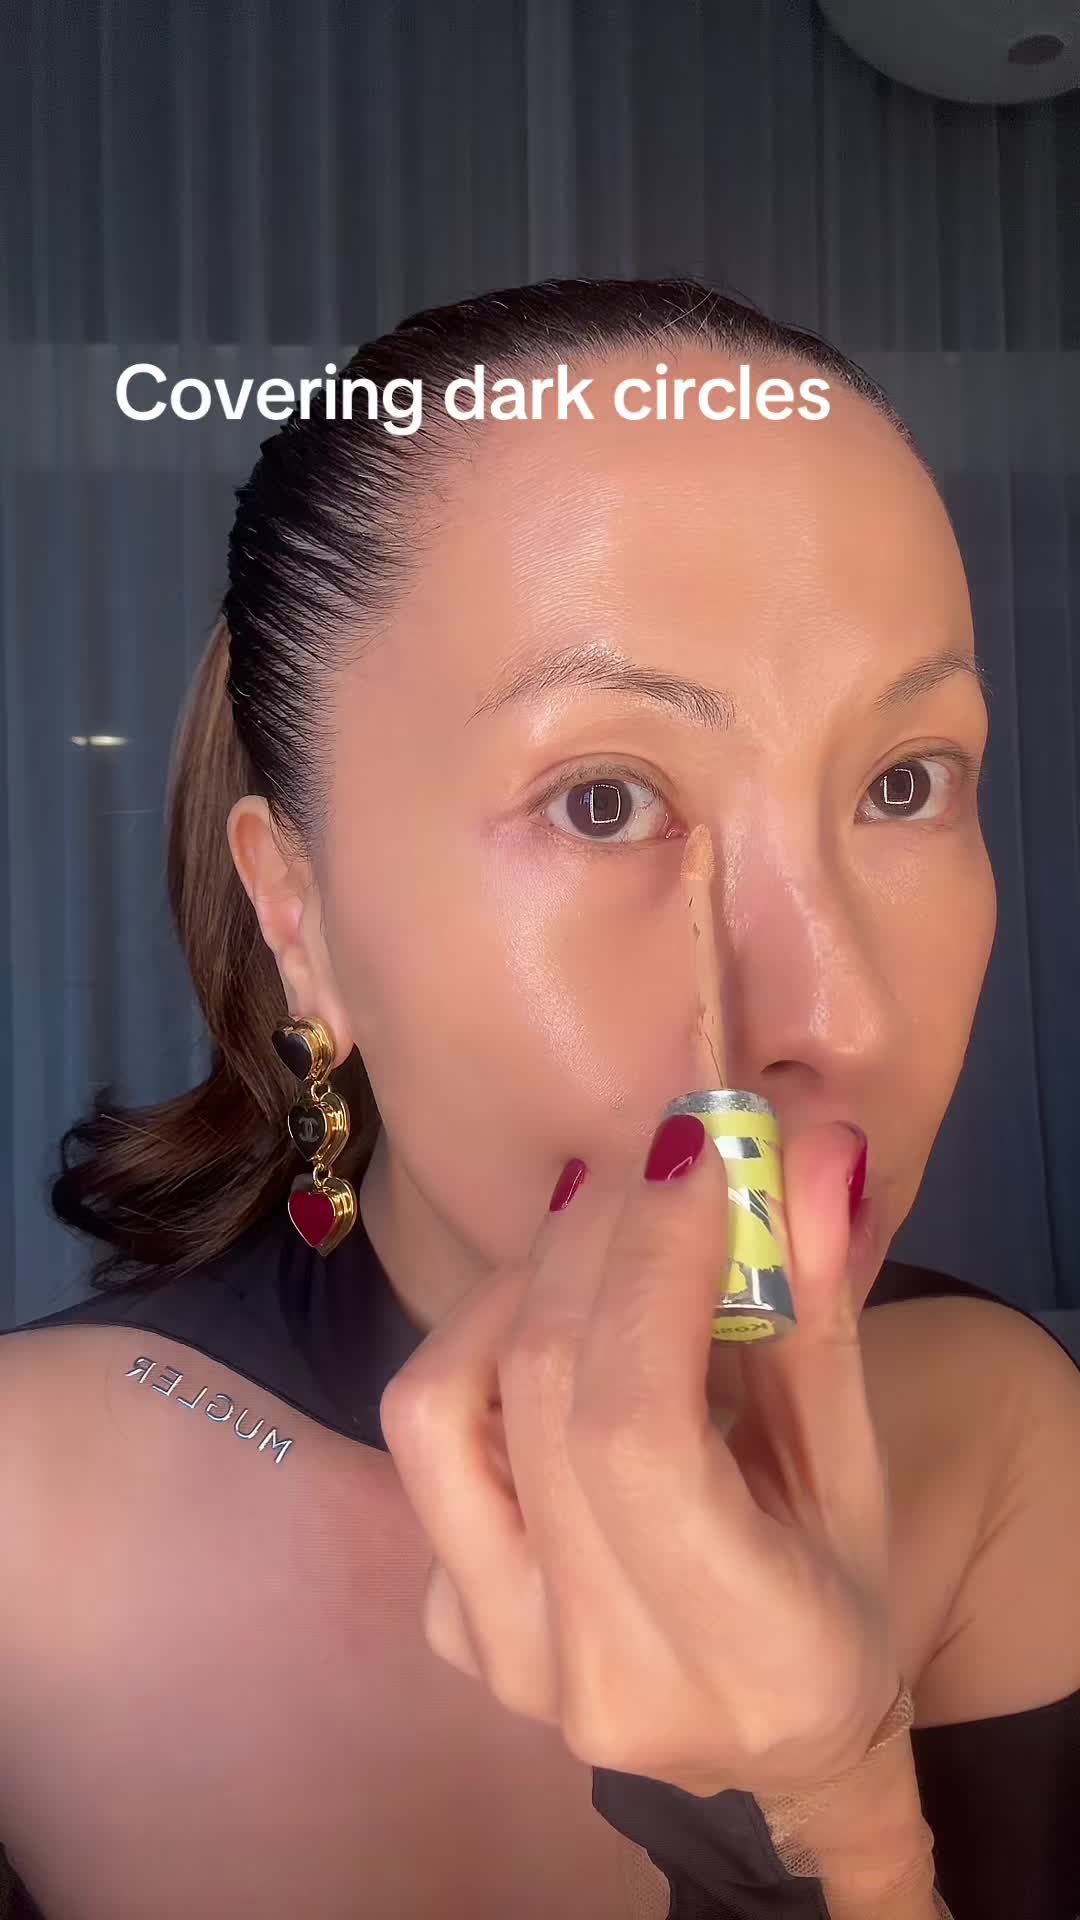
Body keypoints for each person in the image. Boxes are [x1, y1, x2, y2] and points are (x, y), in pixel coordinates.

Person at [1, 277, 1077, 1920]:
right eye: (605, 799)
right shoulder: (27, 1509)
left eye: (902, 782)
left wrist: (842, 1815)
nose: (843, 1021)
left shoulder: (1004, 1434)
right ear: (300, 914)